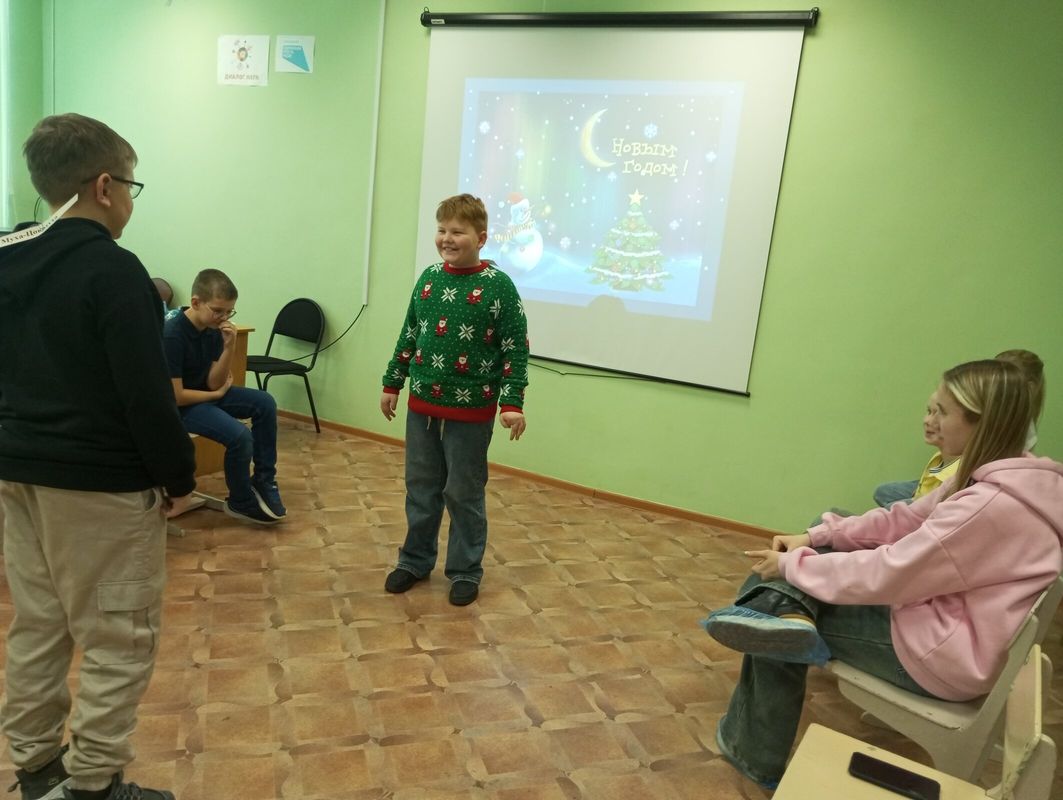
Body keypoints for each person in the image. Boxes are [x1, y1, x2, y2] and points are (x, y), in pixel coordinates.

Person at [703, 359, 1063, 790]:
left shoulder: (988, 505)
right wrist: (818, 535)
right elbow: (903, 519)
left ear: (981, 423)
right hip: (946, 629)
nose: (931, 420)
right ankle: (779, 609)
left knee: (775, 621)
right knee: (795, 586)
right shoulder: (1008, 473)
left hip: (940, 657)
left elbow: (891, 571)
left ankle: (753, 748)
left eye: (942, 412)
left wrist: (792, 565)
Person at [0, 114, 195, 800]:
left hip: (17, 472)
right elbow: (146, 394)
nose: (131, 202)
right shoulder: (113, 268)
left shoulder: (6, 254)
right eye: (132, 186)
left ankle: (36, 768)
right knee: (118, 637)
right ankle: (92, 786)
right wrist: (177, 476)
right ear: (105, 186)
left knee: (39, 625)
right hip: (98, 485)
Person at [379, 194, 529, 606]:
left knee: (463, 493)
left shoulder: (499, 286)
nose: (447, 238)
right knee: (421, 489)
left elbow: (515, 349)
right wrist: (393, 382)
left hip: (471, 411)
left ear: (481, 238)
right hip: (422, 406)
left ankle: (464, 570)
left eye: (458, 232)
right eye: (442, 230)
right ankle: (414, 561)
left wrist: (512, 403)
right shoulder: (428, 279)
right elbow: (410, 333)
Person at [162, 268, 285, 525]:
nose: (224, 318)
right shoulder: (172, 334)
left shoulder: (212, 328)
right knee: (240, 437)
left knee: (265, 403)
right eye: (218, 311)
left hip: (205, 394)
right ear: (196, 302)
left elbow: (213, 382)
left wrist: (230, 346)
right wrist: (216, 395)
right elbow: (177, 396)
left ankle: (264, 480)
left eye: (229, 311)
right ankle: (241, 501)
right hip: (180, 407)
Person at [873, 349, 1045, 507]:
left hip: (963, 487)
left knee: (894, 509)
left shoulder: (984, 492)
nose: (930, 421)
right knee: (886, 495)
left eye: (942, 412)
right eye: (931, 411)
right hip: (953, 483)